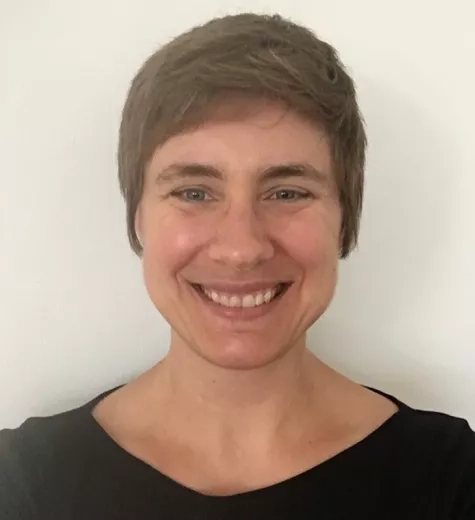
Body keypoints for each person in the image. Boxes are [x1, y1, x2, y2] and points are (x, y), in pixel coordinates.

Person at [1, 12, 474, 519]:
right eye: (195, 192)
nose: (241, 248)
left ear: (344, 217)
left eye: (287, 192)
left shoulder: (453, 481)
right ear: (138, 216)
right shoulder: (24, 482)